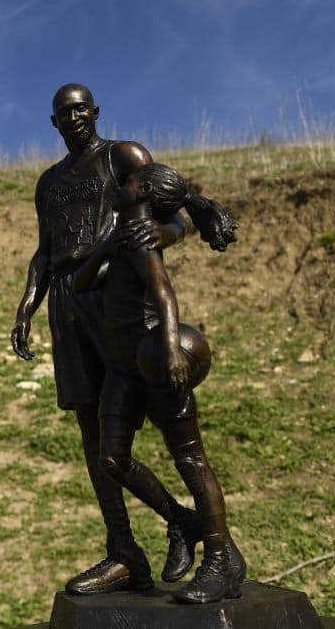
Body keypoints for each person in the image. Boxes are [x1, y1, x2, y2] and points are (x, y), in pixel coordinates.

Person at [11, 84, 194, 595]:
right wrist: (27, 306)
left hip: (114, 289)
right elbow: (44, 253)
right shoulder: (48, 182)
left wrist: (169, 235)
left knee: (156, 410)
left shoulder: (123, 156)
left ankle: (198, 526)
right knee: (91, 430)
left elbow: (173, 210)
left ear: (94, 112)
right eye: (62, 113)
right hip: (67, 300)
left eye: (79, 109)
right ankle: (124, 550)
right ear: (53, 123)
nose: (72, 118)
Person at [72, 161, 244, 603]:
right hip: (121, 368)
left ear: (142, 190)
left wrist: (170, 351)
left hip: (153, 362)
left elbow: (164, 291)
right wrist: (107, 244)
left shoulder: (145, 236)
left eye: (126, 180)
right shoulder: (126, 235)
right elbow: (81, 282)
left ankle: (220, 561)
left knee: (190, 460)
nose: (118, 183)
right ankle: (184, 521)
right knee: (112, 458)